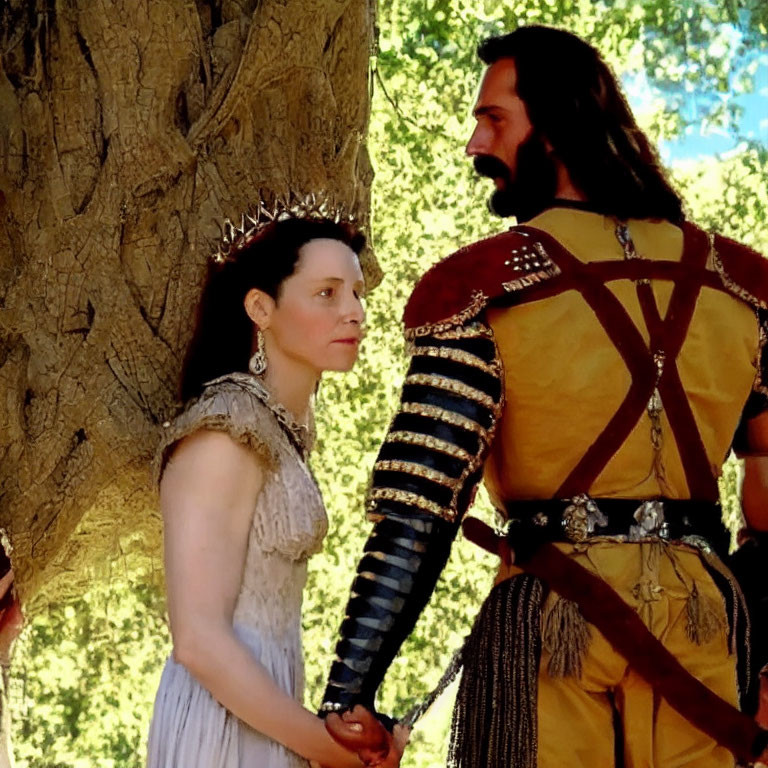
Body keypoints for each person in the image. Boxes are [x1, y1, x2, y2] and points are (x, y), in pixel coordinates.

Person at [319, 26, 768, 768]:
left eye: (492, 119)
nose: (473, 145)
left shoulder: (481, 287)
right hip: (703, 636)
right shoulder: (741, 286)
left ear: (555, 126)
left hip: (553, 628)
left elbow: (419, 511)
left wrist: (349, 694)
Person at [145, 199, 406, 768]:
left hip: (270, 714)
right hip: (219, 729)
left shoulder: (278, 431)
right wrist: (331, 755)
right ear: (261, 308)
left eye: (357, 293)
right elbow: (199, 640)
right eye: (327, 293)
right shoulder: (224, 431)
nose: (355, 312)